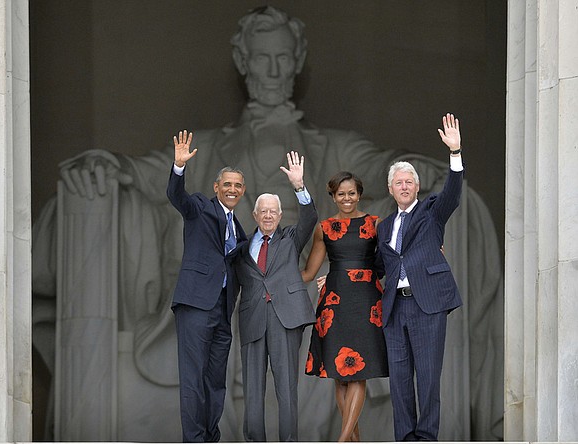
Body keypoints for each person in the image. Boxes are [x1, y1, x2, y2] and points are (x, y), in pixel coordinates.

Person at [32, 5, 503, 441]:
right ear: (243, 61)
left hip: (308, 278)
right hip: (240, 280)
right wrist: (106, 163)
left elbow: (391, 164)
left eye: (283, 57)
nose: (274, 70)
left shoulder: (334, 147)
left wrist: (434, 165)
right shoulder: (211, 148)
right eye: (263, 59)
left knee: (310, 325)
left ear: (298, 61)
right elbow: (151, 170)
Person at [376, 113, 464, 441]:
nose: (404, 186)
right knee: (399, 381)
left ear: (417, 187)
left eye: (409, 181)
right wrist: (339, 277)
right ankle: (405, 438)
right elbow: (377, 266)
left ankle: (426, 438)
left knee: (427, 379)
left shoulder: (431, 213)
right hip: (395, 309)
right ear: (390, 188)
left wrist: (454, 153)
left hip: (426, 305)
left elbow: (453, 195)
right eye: (398, 182)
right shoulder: (383, 227)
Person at [166, 129, 247, 442]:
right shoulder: (200, 207)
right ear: (217, 187)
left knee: (216, 380)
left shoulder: (239, 230)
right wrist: (179, 168)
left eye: (237, 185)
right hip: (196, 304)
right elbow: (178, 197)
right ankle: (195, 439)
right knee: (193, 378)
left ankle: (210, 436)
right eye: (227, 184)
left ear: (242, 191)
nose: (232, 189)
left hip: (223, 310)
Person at [232, 151, 317, 441]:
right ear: (255, 215)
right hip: (253, 318)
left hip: (286, 318)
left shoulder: (291, 239)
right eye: (263, 211)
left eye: (273, 211)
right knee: (252, 389)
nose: (268, 215)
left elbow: (310, 217)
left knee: (287, 387)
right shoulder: (241, 249)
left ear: (280, 216)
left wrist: (299, 186)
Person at [301, 171, 388, 442]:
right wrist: (270, 272)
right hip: (334, 301)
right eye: (341, 194)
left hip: (366, 301)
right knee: (340, 373)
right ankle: (353, 440)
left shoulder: (376, 223)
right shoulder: (324, 228)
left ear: (359, 194)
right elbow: (308, 273)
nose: (347, 198)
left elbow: (388, 262)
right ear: (333, 196)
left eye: (351, 193)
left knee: (358, 371)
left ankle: (341, 440)